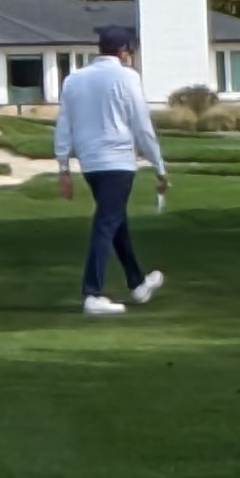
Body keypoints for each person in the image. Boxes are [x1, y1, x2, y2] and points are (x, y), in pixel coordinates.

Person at [52, 25, 168, 317]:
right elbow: (142, 125)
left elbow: (64, 124)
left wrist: (63, 166)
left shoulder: (74, 79)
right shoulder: (127, 78)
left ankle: (138, 283)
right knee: (106, 223)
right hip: (118, 161)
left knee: (116, 222)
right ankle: (92, 293)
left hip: (90, 163)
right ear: (122, 51)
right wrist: (159, 166)